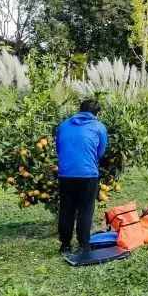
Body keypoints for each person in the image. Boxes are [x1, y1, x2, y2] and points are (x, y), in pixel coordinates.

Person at [55, 99, 108, 256]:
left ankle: (65, 246)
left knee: (66, 209)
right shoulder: (99, 127)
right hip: (88, 174)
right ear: (97, 113)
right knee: (85, 209)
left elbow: (59, 148)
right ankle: (83, 245)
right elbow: (100, 152)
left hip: (66, 173)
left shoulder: (64, 125)